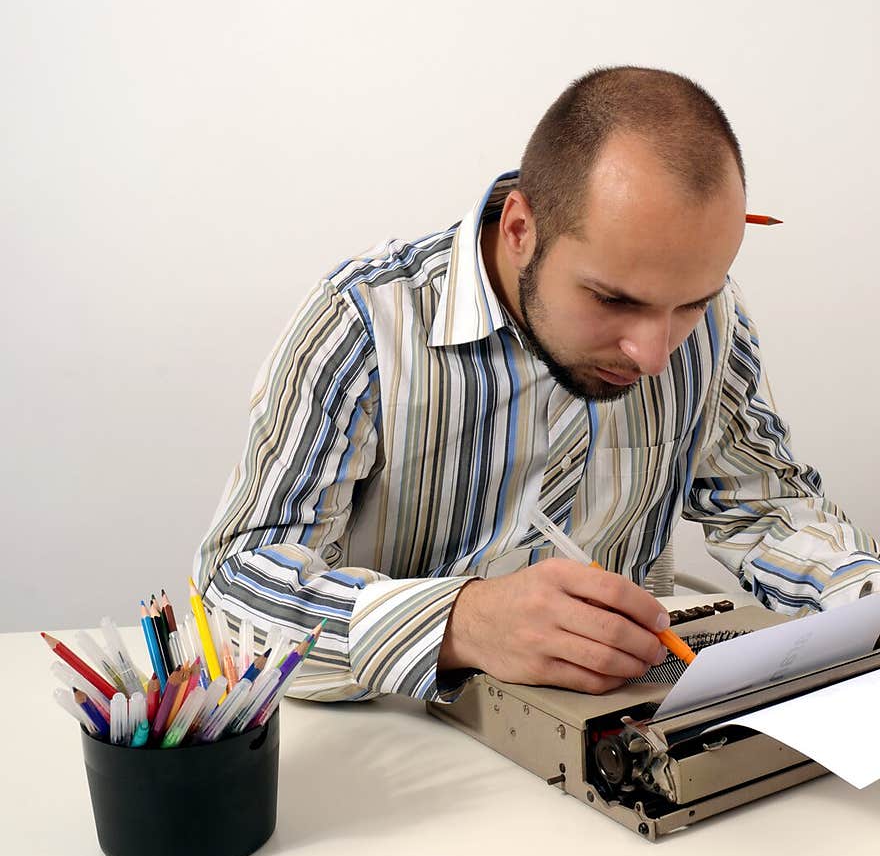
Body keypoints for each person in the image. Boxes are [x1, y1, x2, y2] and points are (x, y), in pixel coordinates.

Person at [194, 66, 880, 704]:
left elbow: (765, 509)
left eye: (692, 301)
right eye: (613, 300)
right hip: (395, 749)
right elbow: (233, 588)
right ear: (521, 228)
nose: (652, 354)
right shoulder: (366, 323)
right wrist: (462, 622)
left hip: (619, 729)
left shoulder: (711, 323)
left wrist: (865, 601)